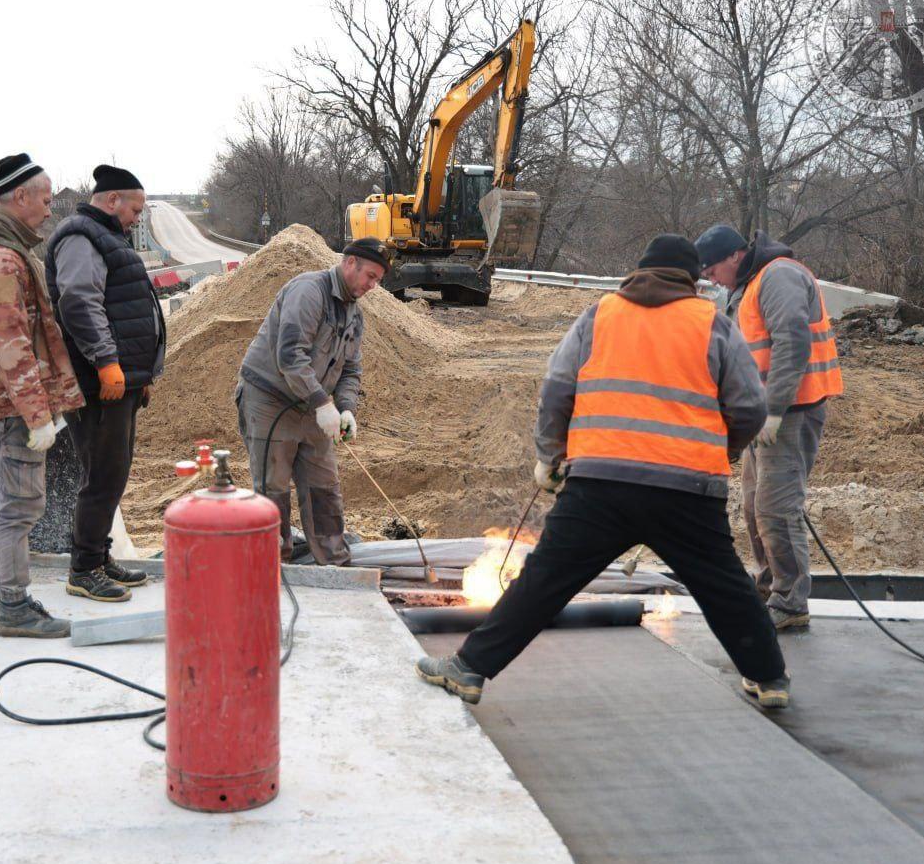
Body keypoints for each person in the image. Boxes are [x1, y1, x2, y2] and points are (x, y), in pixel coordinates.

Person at [417, 235, 792, 708]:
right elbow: (750, 407)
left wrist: (549, 456)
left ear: (637, 272)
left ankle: (469, 669)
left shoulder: (600, 315)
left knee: (543, 582)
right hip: (689, 490)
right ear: (692, 279)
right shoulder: (712, 322)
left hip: (599, 486)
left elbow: (556, 389)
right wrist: (723, 451)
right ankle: (769, 679)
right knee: (726, 588)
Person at [0, 153, 83, 639]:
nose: (50, 209)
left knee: (1, 497)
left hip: (6, 401)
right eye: (46, 200)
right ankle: (14, 606)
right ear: (21, 196)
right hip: (13, 404)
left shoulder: (3, 250)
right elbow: (8, 342)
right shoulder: (0, 259)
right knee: (20, 505)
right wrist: (37, 415)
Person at [695, 225, 844, 630]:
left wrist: (774, 410)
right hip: (762, 416)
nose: (712, 280)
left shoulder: (778, 276)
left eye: (712, 271)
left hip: (791, 413)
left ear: (733, 256)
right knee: (753, 505)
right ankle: (768, 586)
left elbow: (792, 344)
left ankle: (791, 602)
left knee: (777, 509)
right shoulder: (746, 286)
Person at [45, 165, 164, 602]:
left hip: (120, 382)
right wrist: (107, 362)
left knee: (114, 472)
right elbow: (79, 301)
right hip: (97, 383)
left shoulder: (107, 236)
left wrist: (140, 374)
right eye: (136, 209)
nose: (138, 218)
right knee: (101, 474)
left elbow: (125, 308)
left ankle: (98, 555)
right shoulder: (81, 236)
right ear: (112, 201)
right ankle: (83, 569)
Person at [235, 237, 389, 565]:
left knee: (324, 485)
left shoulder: (354, 315)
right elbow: (290, 355)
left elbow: (351, 369)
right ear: (350, 263)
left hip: (311, 403)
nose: (373, 285)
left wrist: (346, 409)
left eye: (377, 280)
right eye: (370, 276)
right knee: (273, 486)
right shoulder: (309, 291)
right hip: (270, 400)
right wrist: (322, 403)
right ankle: (275, 566)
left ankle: (333, 561)